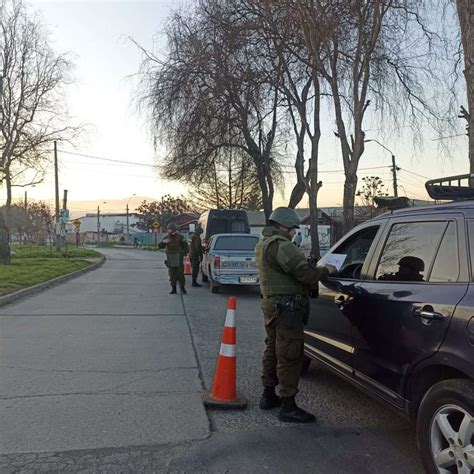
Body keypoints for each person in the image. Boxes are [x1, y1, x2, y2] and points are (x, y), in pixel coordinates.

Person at [255, 207, 336, 423]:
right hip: (287, 309)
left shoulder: (263, 243)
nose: (294, 232)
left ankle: (268, 395)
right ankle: (288, 406)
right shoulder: (283, 246)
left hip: (272, 304)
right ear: (284, 226)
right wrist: (327, 270)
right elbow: (307, 275)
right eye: (293, 228)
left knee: (272, 348)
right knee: (290, 354)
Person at [159, 223, 189, 294]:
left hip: (178, 257)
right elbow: (160, 246)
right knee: (172, 273)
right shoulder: (166, 237)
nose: (168, 231)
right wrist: (163, 242)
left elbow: (186, 247)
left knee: (180, 273)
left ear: (174, 230)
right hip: (170, 257)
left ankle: (182, 287)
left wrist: (184, 254)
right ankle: (173, 288)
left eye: (170, 229)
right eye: (168, 229)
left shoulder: (180, 237)